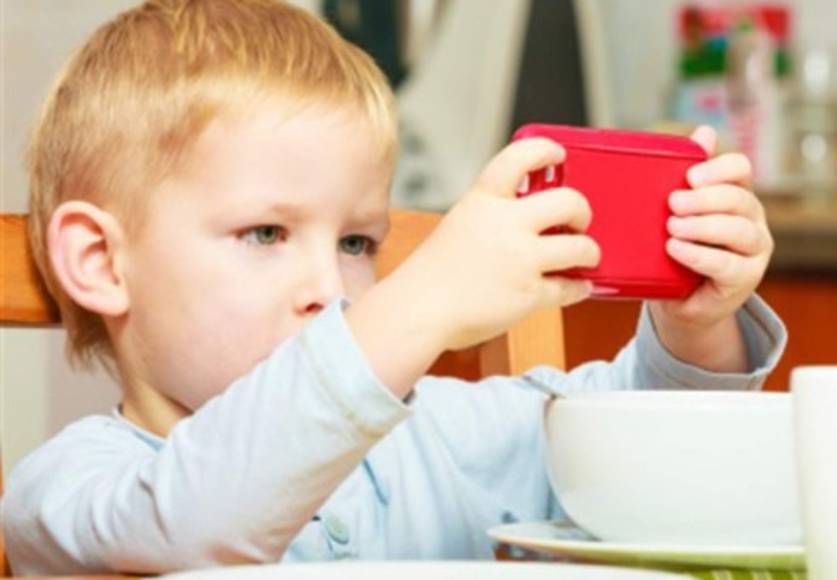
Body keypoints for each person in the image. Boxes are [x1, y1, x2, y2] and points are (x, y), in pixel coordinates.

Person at [1, 0, 785, 575]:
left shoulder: (432, 432)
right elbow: (195, 526)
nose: (327, 288)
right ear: (102, 262)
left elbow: (630, 468)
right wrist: (425, 299)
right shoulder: (67, 491)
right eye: (265, 234)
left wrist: (695, 327)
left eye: (356, 243)